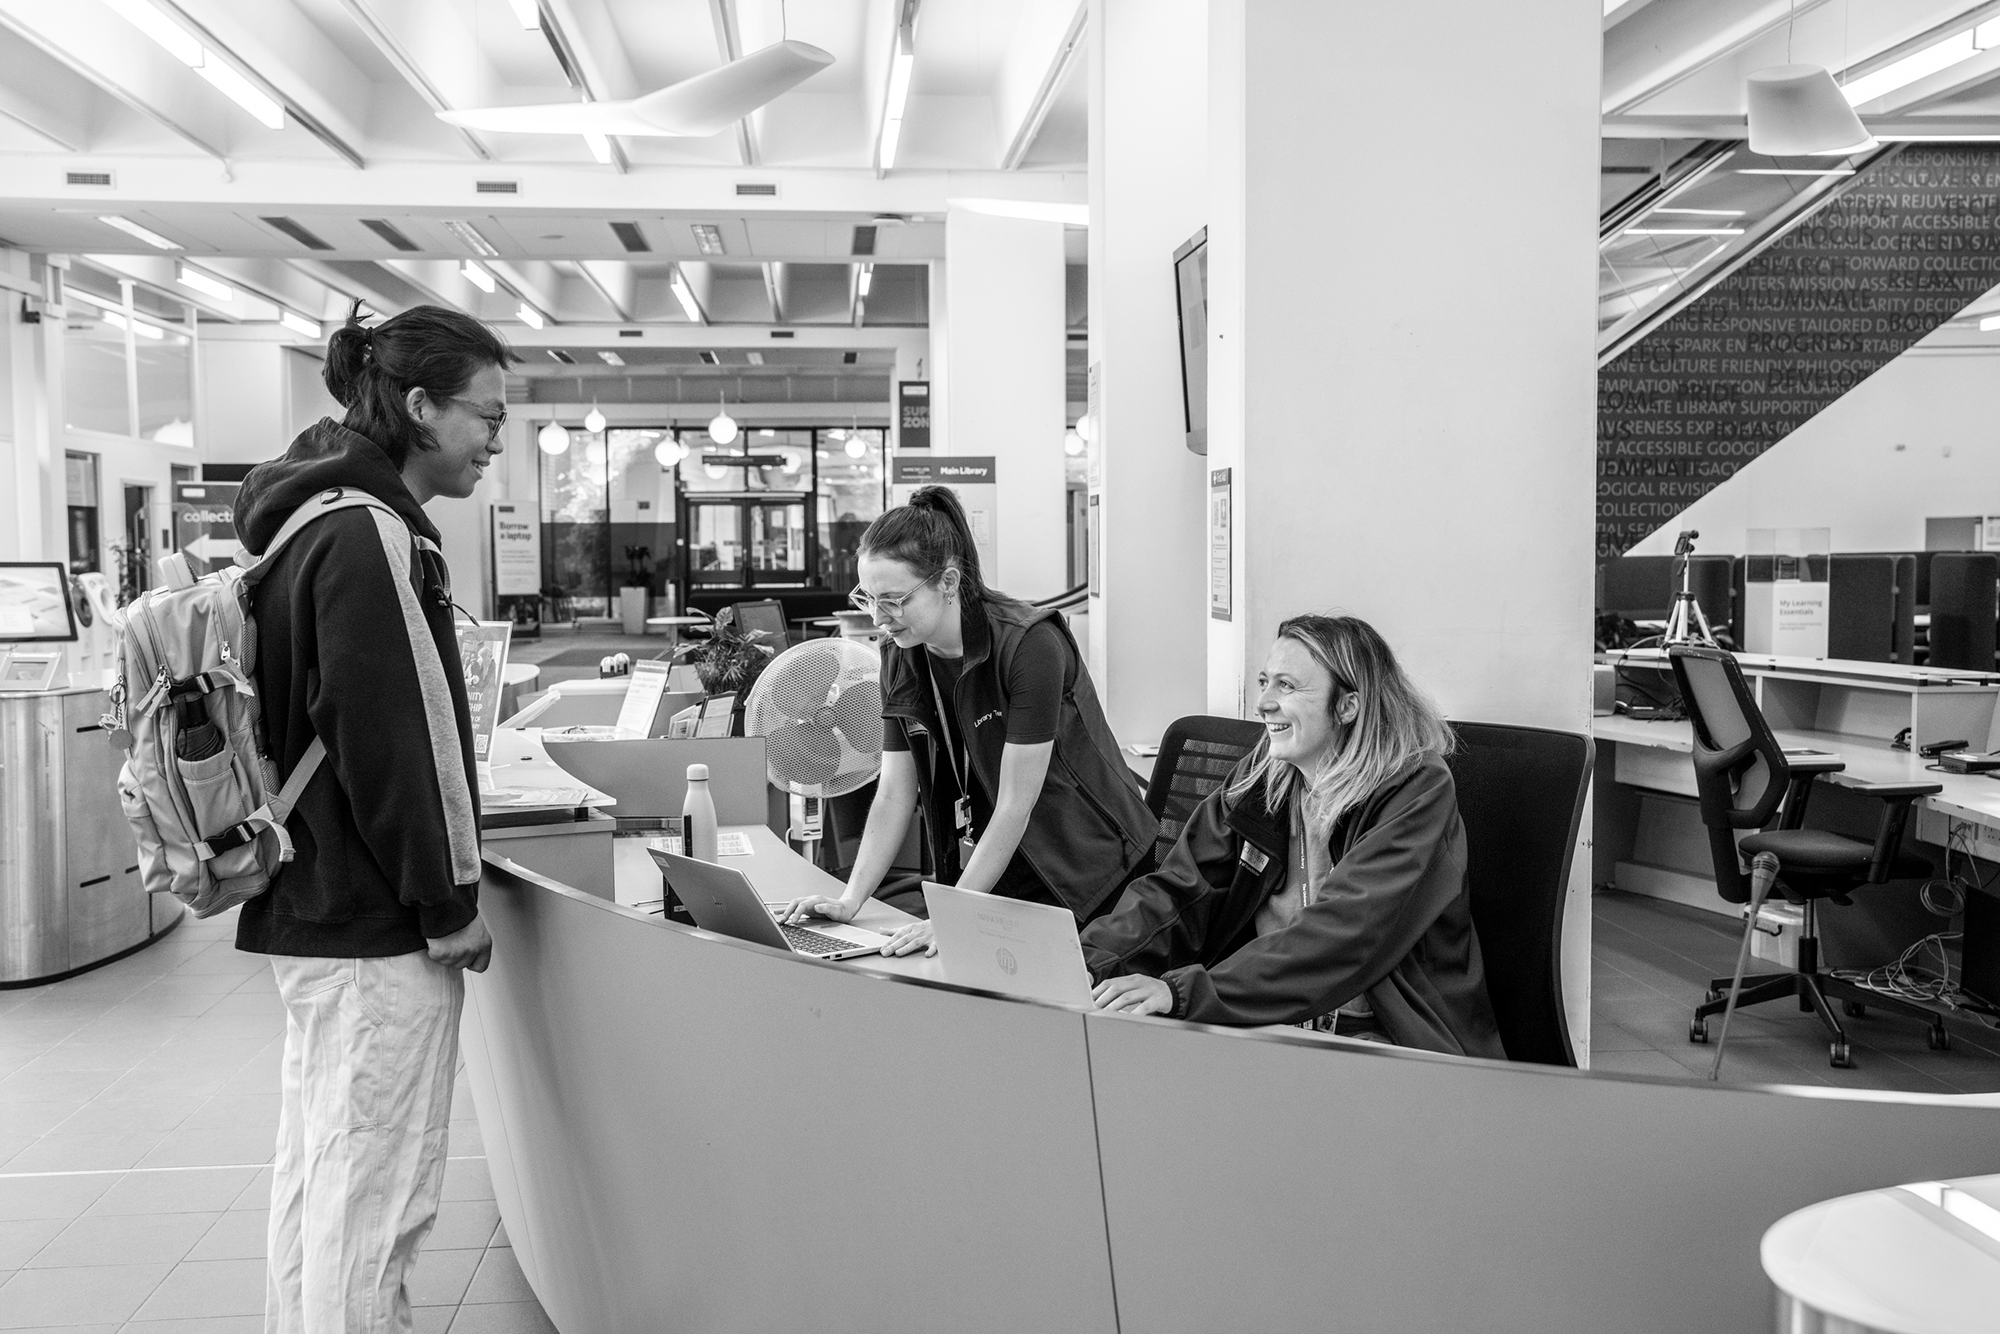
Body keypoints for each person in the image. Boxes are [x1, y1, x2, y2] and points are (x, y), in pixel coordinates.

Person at [233, 302, 514, 1333]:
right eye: (484, 415)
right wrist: (445, 903)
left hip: (318, 905)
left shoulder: (310, 518)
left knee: (320, 1172)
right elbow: (395, 735)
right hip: (374, 924)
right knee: (374, 1200)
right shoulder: (368, 531)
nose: (495, 439)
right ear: (418, 405)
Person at [1084, 614, 1505, 1057]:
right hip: (1272, 1024)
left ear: (1347, 706)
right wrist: (1086, 963)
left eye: (1286, 686)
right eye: (1265, 682)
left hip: (1381, 1037)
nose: (1262, 703)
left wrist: (1183, 993)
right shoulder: (1266, 774)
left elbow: (1343, 934)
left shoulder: (1415, 786)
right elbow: (1177, 893)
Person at [779, 486, 1154, 954]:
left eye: (893, 600)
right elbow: (896, 791)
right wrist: (850, 898)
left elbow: (1017, 803)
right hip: (1001, 868)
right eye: (867, 598)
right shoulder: (900, 655)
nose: (879, 618)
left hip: (1092, 869)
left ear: (949, 583)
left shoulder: (1029, 645)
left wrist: (954, 914)